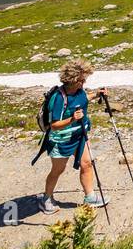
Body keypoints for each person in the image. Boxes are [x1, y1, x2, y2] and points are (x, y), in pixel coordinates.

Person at [38, 58, 107, 213]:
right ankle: (46, 198)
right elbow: (54, 125)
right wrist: (72, 119)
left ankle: (90, 196)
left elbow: (83, 98)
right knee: (58, 170)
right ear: (74, 80)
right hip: (60, 140)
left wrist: (97, 94)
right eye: (82, 80)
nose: (84, 82)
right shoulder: (58, 98)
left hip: (79, 135)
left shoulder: (79, 91)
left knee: (87, 163)